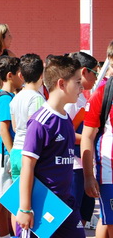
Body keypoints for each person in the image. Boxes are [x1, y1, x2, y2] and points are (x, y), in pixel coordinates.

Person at [17, 55, 85, 237]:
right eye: (78, 82)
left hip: (65, 204)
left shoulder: (66, 119)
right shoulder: (41, 122)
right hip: (41, 206)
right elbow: (27, 166)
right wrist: (24, 208)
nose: (82, 87)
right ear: (61, 84)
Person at [0, 56, 23, 238]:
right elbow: (3, 129)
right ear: (10, 76)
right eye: (19, 73)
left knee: (7, 198)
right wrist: (13, 153)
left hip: (7, 155)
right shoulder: (4, 99)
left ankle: (6, 234)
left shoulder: (9, 97)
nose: (22, 77)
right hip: (4, 155)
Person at [82, 40, 113, 237]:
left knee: (105, 219)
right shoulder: (102, 93)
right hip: (109, 171)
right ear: (110, 60)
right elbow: (87, 135)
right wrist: (88, 176)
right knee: (109, 220)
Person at [65, 52, 98, 227]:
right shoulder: (71, 102)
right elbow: (66, 132)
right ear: (84, 71)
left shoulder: (80, 98)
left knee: (86, 209)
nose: (96, 78)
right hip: (74, 166)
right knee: (74, 212)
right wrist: (89, 139)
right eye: (95, 73)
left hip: (83, 164)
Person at [9, 54, 45, 181]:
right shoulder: (37, 98)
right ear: (42, 75)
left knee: (18, 195)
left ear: (20, 76)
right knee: (33, 196)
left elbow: (14, 127)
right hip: (30, 153)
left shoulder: (15, 98)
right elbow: (35, 129)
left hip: (15, 152)